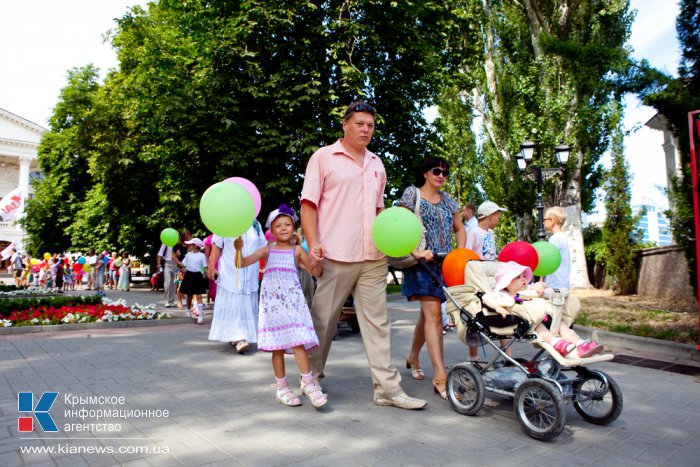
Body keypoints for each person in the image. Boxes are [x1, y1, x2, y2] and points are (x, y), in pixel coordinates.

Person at [301, 101, 427, 410]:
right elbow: (308, 204)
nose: (365, 129)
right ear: (345, 125)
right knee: (323, 321)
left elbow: (379, 210)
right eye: (359, 123)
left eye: (370, 125)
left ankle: (387, 390)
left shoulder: (376, 164)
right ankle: (310, 376)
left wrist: (401, 243)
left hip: (373, 256)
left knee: (378, 324)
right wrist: (313, 242)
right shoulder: (323, 158)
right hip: (335, 254)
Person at [236, 205, 327, 407]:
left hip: (293, 304)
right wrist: (238, 248)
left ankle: (308, 383)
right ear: (272, 230)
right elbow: (241, 263)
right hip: (272, 306)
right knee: (278, 348)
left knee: (298, 342)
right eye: (279, 226)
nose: (284, 228)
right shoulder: (266, 251)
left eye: (288, 224)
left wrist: (319, 260)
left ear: (294, 228)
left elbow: (316, 272)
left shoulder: (297, 251)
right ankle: (282, 388)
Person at [398, 157, 466, 400]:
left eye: (445, 172)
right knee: (434, 315)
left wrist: (461, 252)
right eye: (436, 171)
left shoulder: (448, 200)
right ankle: (440, 376)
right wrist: (415, 252)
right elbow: (399, 226)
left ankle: (413, 357)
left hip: (444, 262)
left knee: (428, 315)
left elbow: (459, 228)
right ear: (425, 173)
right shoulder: (412, 194)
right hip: (421, 263)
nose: (441, 175)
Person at [482, 261, 604, 358]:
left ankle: (581, 344)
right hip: (528, 324)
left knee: (561, 324)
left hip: (544, 316)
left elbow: (544, 286)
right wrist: (497, 307)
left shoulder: (527, 289)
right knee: (540, 327)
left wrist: (539, 286)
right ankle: (557, 343)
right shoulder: (503, 294)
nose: (524, 279)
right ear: (507, 282)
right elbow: (486, 297)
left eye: (524, 276)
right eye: (518, 277)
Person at [207, 220, 266, 353]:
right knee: (234, 302)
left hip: (250, 273)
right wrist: (211, 266)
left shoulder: (256, 224)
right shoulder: (226, 221)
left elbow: (263, 248)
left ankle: (241, 335)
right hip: (230, 273)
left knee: (245, 303)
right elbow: (217, 245)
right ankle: (238, 336)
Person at [541, 206, 582, 328]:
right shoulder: (563, 237)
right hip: (563, 283)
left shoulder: (555, 239)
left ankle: (558, 340)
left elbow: (548, 260)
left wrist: (542, 278)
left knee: (554, 317)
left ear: (552, 220)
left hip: (555, 284)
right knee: (562, 315)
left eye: (545, 219)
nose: (543, 222)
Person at [174, 238, 208, 324]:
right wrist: (176, 260)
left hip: (198, 276)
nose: (189, 246)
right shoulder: (188, 255)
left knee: (199, 295)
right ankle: (188, 310)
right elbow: (183, 264)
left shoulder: (202, 255)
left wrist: (208, 275)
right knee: (189, 295)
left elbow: (205, 267)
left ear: (195, 246)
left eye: (191, 244)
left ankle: (200, 316)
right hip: (189, 275)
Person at [157, 232, 180, 308]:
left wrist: (178, 254)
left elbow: (180, 255)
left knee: (175, 283)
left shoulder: (178, 244)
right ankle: (166, 301)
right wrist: (159, 263)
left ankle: (172, 301)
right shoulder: (166, 243)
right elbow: (160, 254)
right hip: (168, 263)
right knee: (167, 282)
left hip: (176, 264)